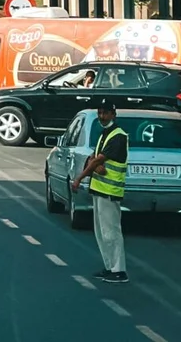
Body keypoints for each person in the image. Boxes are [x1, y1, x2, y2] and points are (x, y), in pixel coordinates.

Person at [70, 102, 129, 284]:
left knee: (111, 232)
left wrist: (80, 177)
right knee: (101, 232)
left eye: (106, 113)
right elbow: (93, 158)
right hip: (99, 189)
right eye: (100, 113)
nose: (102, 117)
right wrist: (94, 164)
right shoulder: (105, 133)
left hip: (110, 192)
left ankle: (119, 270)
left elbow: (98, 160)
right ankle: (109, 267)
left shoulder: (118, 136)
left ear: (114, 114)